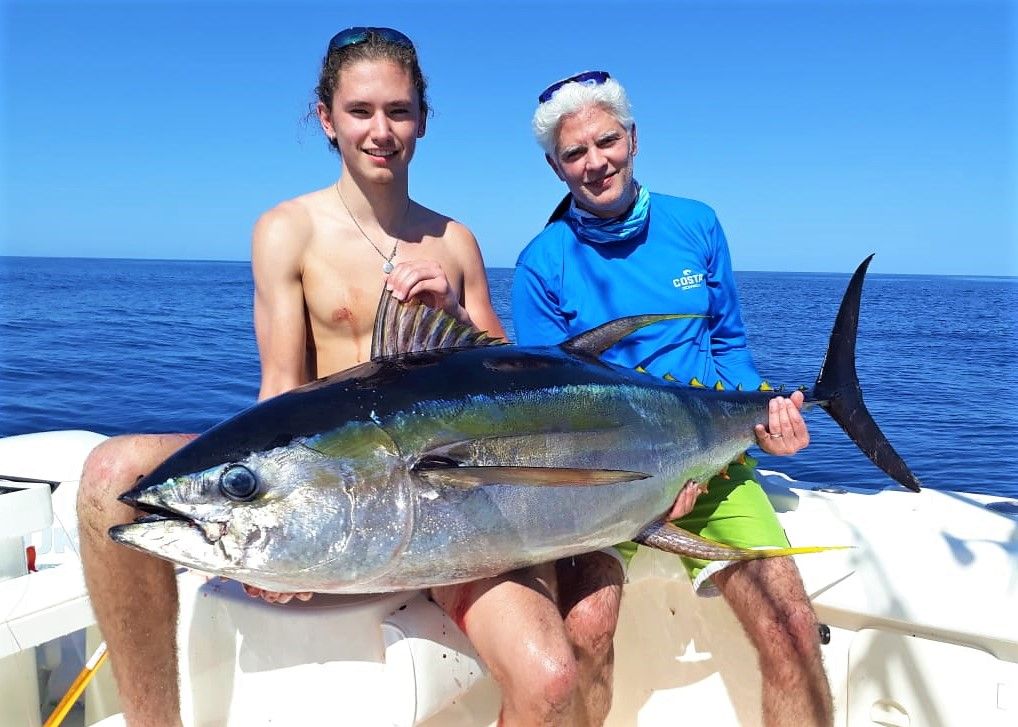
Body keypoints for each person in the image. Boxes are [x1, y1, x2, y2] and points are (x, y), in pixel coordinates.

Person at [76, 27, 505, 725]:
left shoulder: (453, 239)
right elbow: (281, 390)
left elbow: (509, 376)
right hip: (332, 475)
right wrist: (277, 537)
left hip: (439, 478)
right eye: (360, 111)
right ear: (325, 117)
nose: (380, 130)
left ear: (423, 118)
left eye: (398, 111)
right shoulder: (288, 229)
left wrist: (454, 309)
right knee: (108, 475)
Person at [510, 70, 833, 727]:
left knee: (793, 624)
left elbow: (731, 350)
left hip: (712, 468)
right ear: (555, 166)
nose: (595, 161)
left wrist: (767, 420)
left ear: (632, 138)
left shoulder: (696, 225)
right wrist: (645, 486)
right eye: (575, 152)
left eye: (607, 140)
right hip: (601, 487)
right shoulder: (542, 262)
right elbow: (548, 410)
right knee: (583, 632)